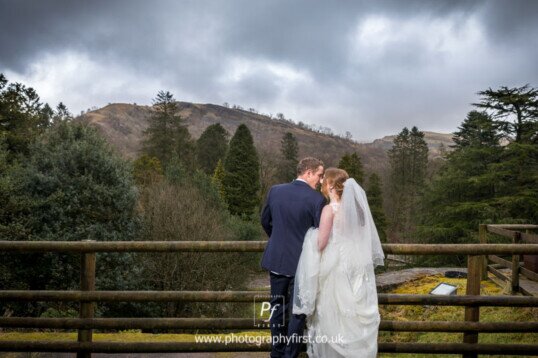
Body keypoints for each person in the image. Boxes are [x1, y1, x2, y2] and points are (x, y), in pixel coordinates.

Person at [293, 168, 385, 358]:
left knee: (334, 312)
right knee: (354, 314)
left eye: (324, 181)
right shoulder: (358, 211)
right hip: (357, 266)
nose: (322, 185)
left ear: (331, 185)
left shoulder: (330, 210)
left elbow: (321, 242)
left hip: (336, 268)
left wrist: (310, 234)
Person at [261, 157, 326, 358]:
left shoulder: (275, 191)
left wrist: (279, 240)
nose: (321, 180)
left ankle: (277, 353)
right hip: (303, 265)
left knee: (277, 308)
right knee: (299, 311)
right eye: (319, 175)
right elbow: (318, 234)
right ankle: (290, 355)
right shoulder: (317, 200)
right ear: (308, 173)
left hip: (277, 261)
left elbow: (265, 221)